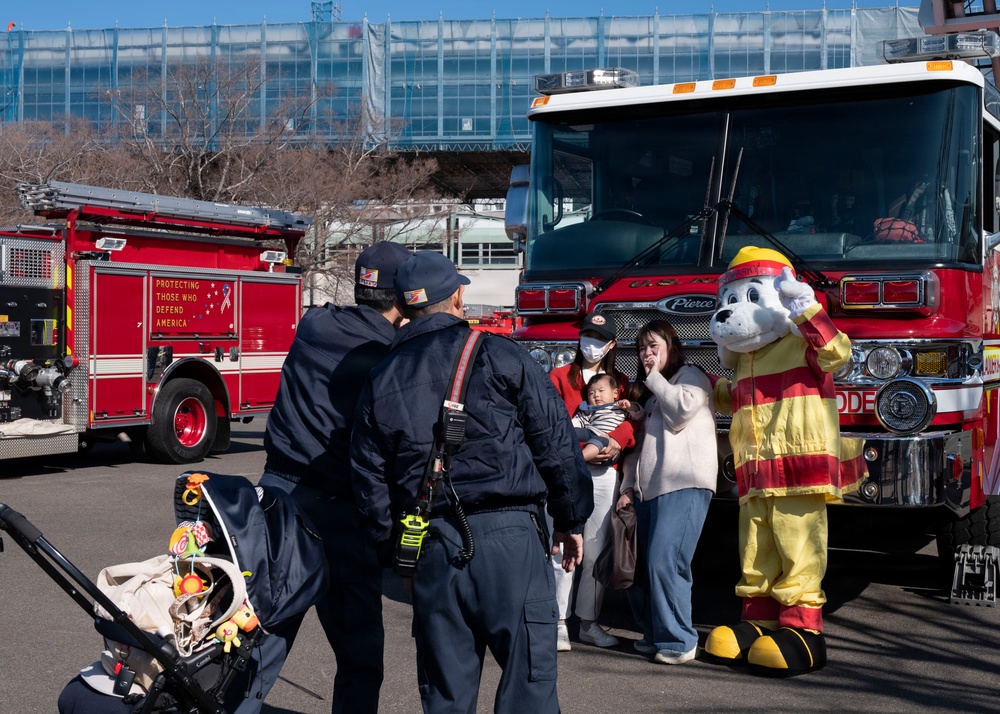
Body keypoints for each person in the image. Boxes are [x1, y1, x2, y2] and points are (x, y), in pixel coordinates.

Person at [350, 250, 594, 714]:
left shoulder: (382, 376)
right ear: (458, 296)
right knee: (529, 687)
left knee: (445, 693)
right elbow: (554, 442)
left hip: (431, 548)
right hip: (510, 539)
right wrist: (570, 517)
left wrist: (397, 558)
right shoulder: (501, 354)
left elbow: (370, 483)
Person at [226, 241, 411, 714]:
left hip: (277, 497)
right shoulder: (392, 353)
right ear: (404, 297)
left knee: (260, 635)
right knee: (359, 652)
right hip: (343, 508)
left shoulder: (315, 325)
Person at [616, 319, 717, 665]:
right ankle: (655, 633)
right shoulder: (654, 392)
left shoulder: (691, 374)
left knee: (666, 559)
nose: (646, 353)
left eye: (654, 345)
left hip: (685, 483)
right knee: (642, 566)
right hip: (650, 490)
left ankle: (679, 640)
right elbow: (639, 447)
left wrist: (653, 379)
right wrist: (628, 486)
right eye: (642, 347)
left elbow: (682, 412)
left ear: (672, 348)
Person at [547, 313, 635, 651]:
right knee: (562, 546)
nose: (591, 343)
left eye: (600, 338)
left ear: (611, 344)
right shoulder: (557, 377)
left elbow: (628, 422)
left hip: (605, 475)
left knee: (597, 550)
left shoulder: (621, 382)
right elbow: (550, 424)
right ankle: (557, 621)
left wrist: (616, 440)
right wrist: (587, 447)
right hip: (569, 472)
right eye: (587, 335)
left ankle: (588, 621)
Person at [572, 373, 628, 461]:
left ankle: (577, 459)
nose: (596, 395)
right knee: (571, 432)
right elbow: (578, 420)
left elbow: (638, 415)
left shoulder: (620, 406)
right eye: (591, 393)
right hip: (591, 433)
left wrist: (631, 406)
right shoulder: (590, 409)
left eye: (601, 391)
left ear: (615, 393)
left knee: (598, 442)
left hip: (608, 440)